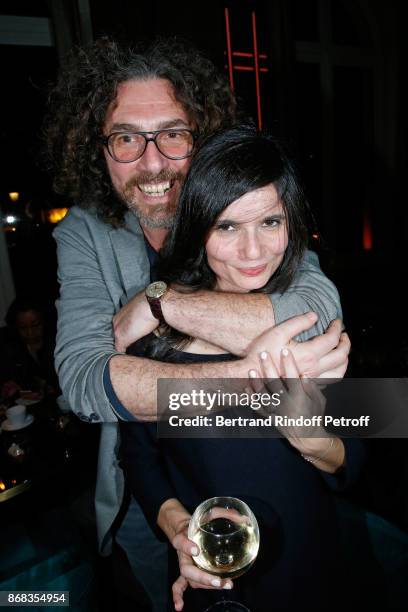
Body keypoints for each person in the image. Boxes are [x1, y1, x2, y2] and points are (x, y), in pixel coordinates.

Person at [46, 37, 349, 610]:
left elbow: (316, 326)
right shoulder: (83, 233)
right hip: (150, 484)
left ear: (200, 138)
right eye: (127, 138)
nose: (153, 162)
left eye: (173, 134)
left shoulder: (250, 210)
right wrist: (258, 379)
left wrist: (161, 305)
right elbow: (87, 382)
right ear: (97, 149)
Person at [119, 125, 365, 611]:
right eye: (227, 226)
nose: (254, 253)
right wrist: (177, 530)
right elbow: (141, 459)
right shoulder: (156, 334)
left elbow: (355, 459)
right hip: (207, 574)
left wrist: (315, 441)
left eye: (270, 222)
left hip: (310, 569)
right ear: (197, 227)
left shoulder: (308, 322)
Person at [0, 297, 59, 402]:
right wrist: (14, 390)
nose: (30, 333)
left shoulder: (58, 340)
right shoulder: (10, 345)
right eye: (23, 327)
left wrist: (48, 390)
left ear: (44, 322)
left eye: (36, 325)